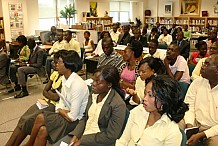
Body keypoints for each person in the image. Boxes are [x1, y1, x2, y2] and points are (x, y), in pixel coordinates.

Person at [21, 50, 89, 145]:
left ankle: (29, 144)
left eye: (59, 62)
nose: (56, 64)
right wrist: (60, 110)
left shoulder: (77, 84)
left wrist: (60, 111)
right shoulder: (65, 79)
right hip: (66, 115)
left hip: (76, 121)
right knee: (42, 130)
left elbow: (73, 117)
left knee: (41, 117)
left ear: (68, 65)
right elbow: (60, 103)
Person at [54, 65, 127, 146]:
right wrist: (76, 135)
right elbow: (84, 117)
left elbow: (111, 136)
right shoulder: (93, 95)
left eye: (98, 82)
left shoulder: (118, 104)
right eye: (93, 80)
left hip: (99, 141)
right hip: (84, 134)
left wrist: (82, 141)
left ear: (109, 85)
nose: (93, 84)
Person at [5, 52, 63, 146]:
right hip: (45, 102)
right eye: (54, 63)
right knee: (24, 118)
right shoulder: (55, 74)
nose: (54, 65)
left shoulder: (66, 78)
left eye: (57, 63)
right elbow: (44, 91)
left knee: (29, 120)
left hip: (54, 106)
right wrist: (51, 93)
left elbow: (56, 98)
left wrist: (49, 92)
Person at [116, 75, 189, 146]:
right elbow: (123, 140)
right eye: (145, 93)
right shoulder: (139, 110)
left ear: (164, 100)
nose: (145, 98)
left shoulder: (172, 131)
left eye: (150, 95)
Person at [181, 54, 218, 146]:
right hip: (194, 123)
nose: (202, 66)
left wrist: (202, 134)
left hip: (214, 131)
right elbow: (189, 106)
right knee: (173, 127)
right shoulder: (197, 82)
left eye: (207, 64)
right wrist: (190, 125)